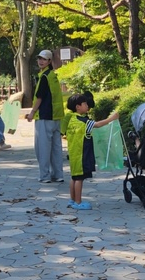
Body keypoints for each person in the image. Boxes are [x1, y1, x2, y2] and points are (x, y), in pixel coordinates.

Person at [65, 93, 119, 210]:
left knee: (74, 177)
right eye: (84, 104)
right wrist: (111, 119)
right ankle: (78, 202)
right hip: (82, 154)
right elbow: (98, 125)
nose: (87, 105)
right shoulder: (84, 122)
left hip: (74, 154)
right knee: (79, 178)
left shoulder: (72, 119)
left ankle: (72, 200)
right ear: (78, 107)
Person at [25, 49, 65, 183]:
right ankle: (58, 174)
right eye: (39, 58)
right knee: (56, 148)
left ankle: (45, 176)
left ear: (49, 61)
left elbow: (39, 98)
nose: (40, 61)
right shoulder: (53, 75)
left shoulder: (44, 77)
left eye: (43, 59)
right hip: (56, 117)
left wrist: (31, 113)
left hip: (44, 117)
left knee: (42, 148)